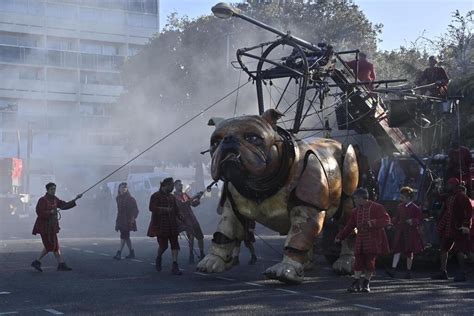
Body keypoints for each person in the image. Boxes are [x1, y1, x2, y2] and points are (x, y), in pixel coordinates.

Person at [335, 188, 390, 293]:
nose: (354, 201)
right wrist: (340, 236)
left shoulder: (377, 207)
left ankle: (366, 283)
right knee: (358, 262)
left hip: (373, 239)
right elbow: (350, 225)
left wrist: (372, 223)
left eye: (355, 199)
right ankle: (356, 282)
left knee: (370, 263)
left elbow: (386, 220)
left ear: (361, 198)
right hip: (360, 240)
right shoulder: (356, 211)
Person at [31, 182, 82, 272]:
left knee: (55, 246)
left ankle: (61, 264)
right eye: (52, 189)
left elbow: (64, 205)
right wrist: (50, 212)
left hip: (52, 226)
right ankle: (37, 261)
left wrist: (76, 199)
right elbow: (39, 212)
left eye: (54, 189)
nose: (53, 191)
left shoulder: (55, 199)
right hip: (44, 227)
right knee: (50, 245)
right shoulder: (42, 200)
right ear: (47, 190)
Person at [431, 177, 472, 282]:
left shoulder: (461, 196)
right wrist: (437, 185)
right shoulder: (449, 196)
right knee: (444, 249)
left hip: (459, 228)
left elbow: (469, 211)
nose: (447, 186)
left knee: (460, 251)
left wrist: (466, 225)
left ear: (453, 185)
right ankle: (443, 271)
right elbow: (439, 196)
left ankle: (463, 273)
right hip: (449, 228)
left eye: (449, 185)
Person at [147, 177, 183, 275]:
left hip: (172, 224)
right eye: (170, 185)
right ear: (164, 185)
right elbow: (151, 208)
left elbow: (176, 209)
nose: (172, 187)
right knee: (163, 246)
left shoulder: (172, 197)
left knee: (175, 245)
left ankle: (175, 265)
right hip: (161, 225)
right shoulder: (155, 196)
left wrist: (180, 216)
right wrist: (164, 210)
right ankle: (159, 257)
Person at [386, 187, 424, 279]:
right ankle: (393, 269)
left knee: (409, 252)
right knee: (397, 250)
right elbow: (396, 217)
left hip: (410, 233)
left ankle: (408, 272)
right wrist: (391, 223)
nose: (401, 199)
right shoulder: (400, 206)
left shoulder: (415, 208)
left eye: (402, 197)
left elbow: (419, 220)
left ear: (408, 197)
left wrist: (413, 221)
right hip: (400, 231)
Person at [173, 179, 205, 264]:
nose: (181, 186)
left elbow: (193, 204)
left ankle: (202, 253)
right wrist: (194, 196)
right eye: (179, 185)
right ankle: (191, 255)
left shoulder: (184, 194)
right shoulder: (174, 196)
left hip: (192, 217)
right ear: (175, 186)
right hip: (184, 218)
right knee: (191, 236)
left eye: (181, 184)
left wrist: (199, 198)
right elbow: (182, 204)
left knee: (200, 236)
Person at [113, 182, 139, 260]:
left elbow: (136, 210)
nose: (123, 189)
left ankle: (119, 252)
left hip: (128, 220)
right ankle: (131, 252)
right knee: (126, 237)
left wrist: (132, 218)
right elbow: (119, 210)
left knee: (124, 235)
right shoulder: (118, 198)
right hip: (121, 219)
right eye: (122, 187)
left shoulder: (131, 199)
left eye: (125, 187)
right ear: (119, 189)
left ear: (127, 189)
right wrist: (117, 221)